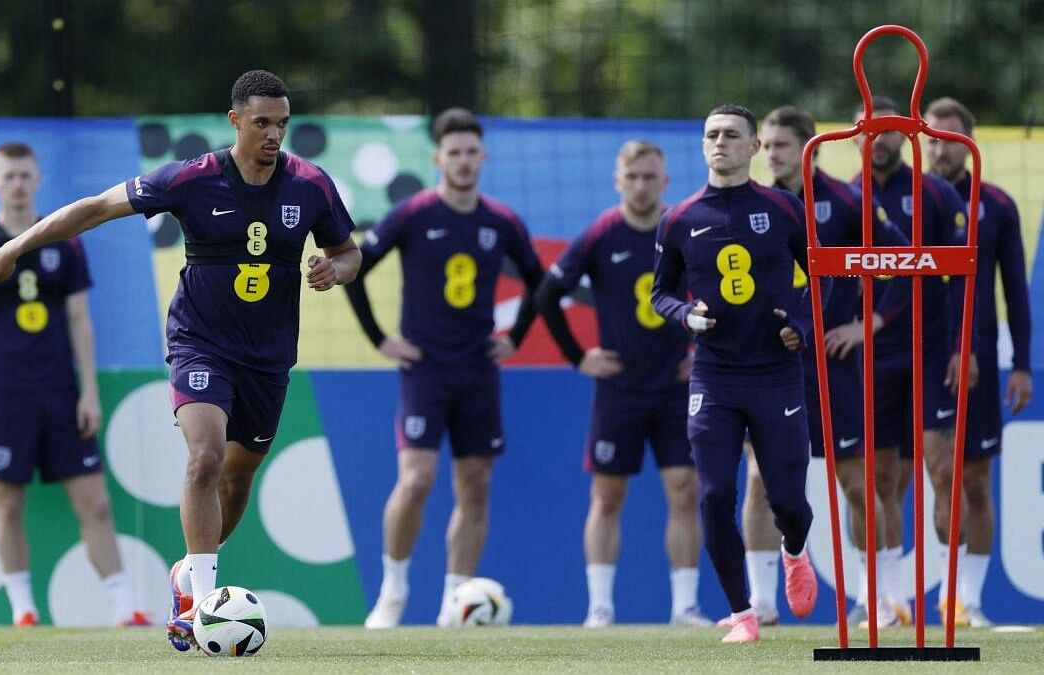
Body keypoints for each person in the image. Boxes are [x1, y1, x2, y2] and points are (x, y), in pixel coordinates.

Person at [0, 71, 361, 651]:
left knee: (236, 477)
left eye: (282, 123)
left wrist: (337, 270)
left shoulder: (311, 185)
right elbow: (98, 208)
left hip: (268, 357)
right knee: (203, 456)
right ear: (235, 120)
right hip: (200, 343)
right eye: (262, 123)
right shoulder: (193, 178)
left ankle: (189, 573)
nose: (274, 134)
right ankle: (204, 603)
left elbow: (349, 252)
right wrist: (12, 247)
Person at [346, 107, 544, 629]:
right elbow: (356, 268)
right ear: (438, 158)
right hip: (425, 370)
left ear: (483, 156)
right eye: (452, 152)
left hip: (478, 370)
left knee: (475, 484)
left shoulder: (501, 221)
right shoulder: (413, 214)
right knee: (416, 480)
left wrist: (516, 336)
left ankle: (456, 602)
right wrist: (380, 338)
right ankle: (393, 589)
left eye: (470, 151)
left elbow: (538, 280)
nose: (462, 160)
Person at [0, 142, 149, 628]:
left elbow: (80, 319)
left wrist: (90, 392)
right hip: (5, 394)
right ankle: (23, 610)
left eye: (25, 175)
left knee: (96, 502)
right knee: (8, 502)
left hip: (60, 392)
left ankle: (125, 608)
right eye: (8, 175)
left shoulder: (65, 242)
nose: (17, 184)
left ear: (38, 181)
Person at [731, 106, 912, 629]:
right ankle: (760, 603)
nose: (774, 154)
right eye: (767, 144)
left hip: (833, 365)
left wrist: (869, 322)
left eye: (784, 144)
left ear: (812, 146)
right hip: (768, 363)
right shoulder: (746, 205)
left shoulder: (848, 201)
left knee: (857, 481)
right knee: (761, 479)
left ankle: (875, 601)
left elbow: (902, 259)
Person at [651, 104, 821, 643]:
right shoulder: (679, 218)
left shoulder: (785, 208)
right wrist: (685, 315)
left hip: (776, 374)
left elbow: (825, 278)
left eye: (731, 135)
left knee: (789, 502)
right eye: (711, 135)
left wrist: (801, 324)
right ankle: (743, 613)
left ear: (753, 148)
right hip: (716, 377)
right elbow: (661, 292)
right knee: (714, 494)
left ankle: (795, 550)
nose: (719, 142)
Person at [535, 140, 709, 628]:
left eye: (649, 177)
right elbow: (548, 295)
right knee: (608, 495)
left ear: (664, 182)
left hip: (674, 386)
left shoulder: (684, 228)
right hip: (620, 389)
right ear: (617, 181)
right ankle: (600, 608)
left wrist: (702, 354)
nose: (640, 185)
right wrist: (578, 357)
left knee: (683, 488)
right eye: (631, 177)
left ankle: (685, 605)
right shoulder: (601, 233)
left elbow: (721, 292)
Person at [852, 96, 973, 626]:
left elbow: (966, 279)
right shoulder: (839, 197)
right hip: (871, 355)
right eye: (869, 129)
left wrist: (961, 346)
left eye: (889, 130)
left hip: (931, 347)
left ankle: (955, 598)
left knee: (944, 471)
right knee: (880, 481)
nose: (879, 139)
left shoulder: (937, 194)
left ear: (906, 134)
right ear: (855, 133)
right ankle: (887, 600)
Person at [926, 96, 1032, 628]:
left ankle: (966, 599)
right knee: (926, 473)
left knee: (973, 479)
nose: (940, 147)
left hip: (979, 357)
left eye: (950, 138)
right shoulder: (904, 200)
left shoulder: (997, 204)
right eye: (933, 138)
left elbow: (1015, 287)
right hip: (917, 356)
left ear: (969, 143)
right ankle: (890, 596)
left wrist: (1022, 364)